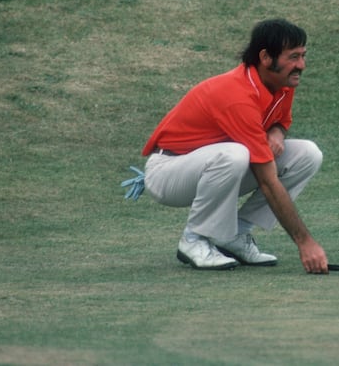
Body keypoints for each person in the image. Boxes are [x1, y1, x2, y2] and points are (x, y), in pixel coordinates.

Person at [140, 18, 328, 274]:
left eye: (303, 56)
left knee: (308, 154)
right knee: (235, 154)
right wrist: (305, 243)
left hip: (211, 167)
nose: (301, 66)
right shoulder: (236, 95)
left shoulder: (281, 82)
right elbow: (268, 182)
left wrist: (276, 132)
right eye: (293, 57)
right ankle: (194, 239)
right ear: (265, 57)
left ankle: (235, 235)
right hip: (167, 172)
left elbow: (282, 121)